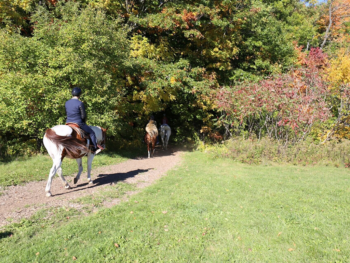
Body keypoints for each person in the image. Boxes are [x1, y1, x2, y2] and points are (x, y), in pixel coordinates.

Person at [65, 87, 104, 154]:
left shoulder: (67, 103)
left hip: (68, 123)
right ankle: (94, 148)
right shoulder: (80, 103)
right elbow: (83, 116)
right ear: (79, 94)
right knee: (92, 133)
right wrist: (84, 122)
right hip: (78, 123)